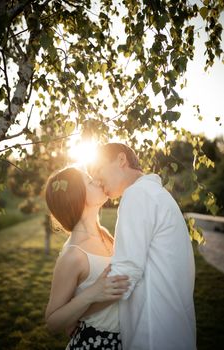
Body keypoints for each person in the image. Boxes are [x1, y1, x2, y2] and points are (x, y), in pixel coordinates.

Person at [90, 142, 197, 350]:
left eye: (98, 169)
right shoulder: (155, 194)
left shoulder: (137, 194)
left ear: (121, 160)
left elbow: (123, 276)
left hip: (153, 336)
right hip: (172, 331)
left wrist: (81, 312)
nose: (96, 179)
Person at [45, 166, 129, 349]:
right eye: (90, 181)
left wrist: (79, 313)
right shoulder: (73, 255)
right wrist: (92, 293)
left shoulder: (105, 234)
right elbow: (52, 322)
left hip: (128, 337)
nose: (98, 181)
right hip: (97, 342)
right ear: (78, 198)